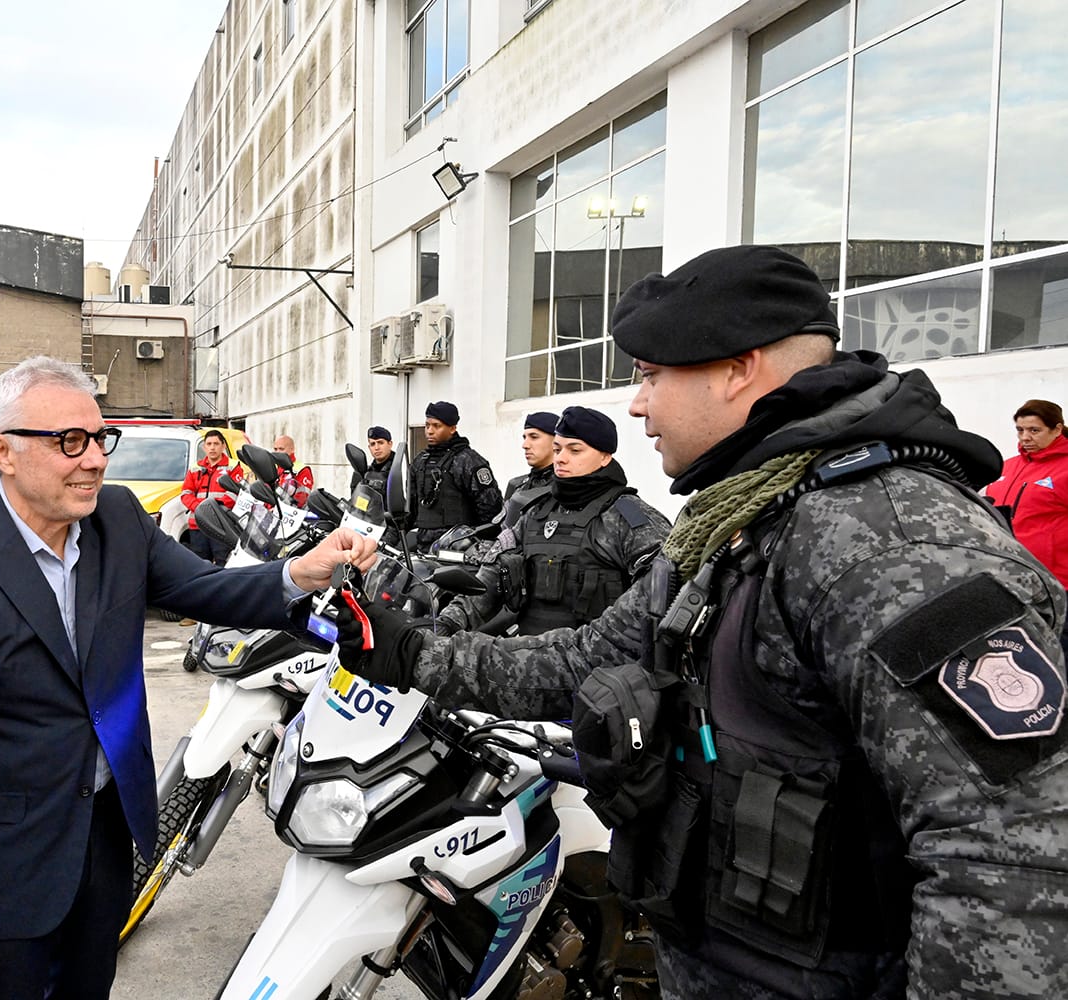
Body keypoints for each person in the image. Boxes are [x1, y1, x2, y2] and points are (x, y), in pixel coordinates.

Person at [337, 245, 1068, 999]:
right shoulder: (741, 521)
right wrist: (404, 651)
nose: (637, 403)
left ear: (736, 368)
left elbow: (1016, 860)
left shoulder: (895, 544)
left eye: (652, 375)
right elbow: (586, 659)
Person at [0, 356, 377, 1000]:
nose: (95, 460)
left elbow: (203, 588)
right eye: (69, 442)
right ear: (2, 451)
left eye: (100, 438)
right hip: (7, 868)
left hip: (108, 840)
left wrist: (300, 573)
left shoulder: (116, 519)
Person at [437, 406, 669, 637]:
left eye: (575, 450)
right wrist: (444, 625)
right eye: (557, 449)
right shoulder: (535, 513)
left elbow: (661, 599)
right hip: (526, 660)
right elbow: (487, 582)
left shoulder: (628, 517)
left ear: (605, 456)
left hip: (597, 668)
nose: (561, 459)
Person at [985, 399, 1068, 593]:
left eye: (1034, 430)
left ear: (1056, 429)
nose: (1025, 437)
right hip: (1010, 577)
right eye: (1020, 430)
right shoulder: (1005, 467)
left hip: (1057, 582)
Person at [408, 400, 503, 550]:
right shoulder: (420, 461)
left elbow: (490, 507)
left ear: (452, 428)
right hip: (423, 547)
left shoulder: (468, 460)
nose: (429, 431)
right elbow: (411, 508)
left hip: (458, 549)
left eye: (436, 426)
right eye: (427, 425)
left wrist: (478, 541)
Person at [179, 428, 243, 565]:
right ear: (204, 447)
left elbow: (234, 494)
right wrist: (200, 509)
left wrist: (212, 511)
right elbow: (186, 494)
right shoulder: (195, 468)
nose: (212, 448)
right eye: (209, 444)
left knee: (223, 562)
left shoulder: (233, 467)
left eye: (216, 444)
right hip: (198, 525)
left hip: (222, 525)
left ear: (223, 446)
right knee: (199, 563)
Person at [504, 411, 558, 502]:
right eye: (525, 438)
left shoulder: (566, 489)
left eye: (534, 437)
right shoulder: (516, 485)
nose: (525, 445)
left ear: (556, 441)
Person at [350, 425, 395, 494]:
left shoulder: (400, 468)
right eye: (373, 444)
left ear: (390, 444)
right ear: (369, 447)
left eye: (380, 443)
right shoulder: (367, 472)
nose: (376, 448)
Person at [272, 433, 314, 506]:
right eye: (275, 449)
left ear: (292, 449)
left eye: (281, 449)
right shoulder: (273, 467)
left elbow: (301, 500)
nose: (277, 452)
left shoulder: (302, 470)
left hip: (289, 513)